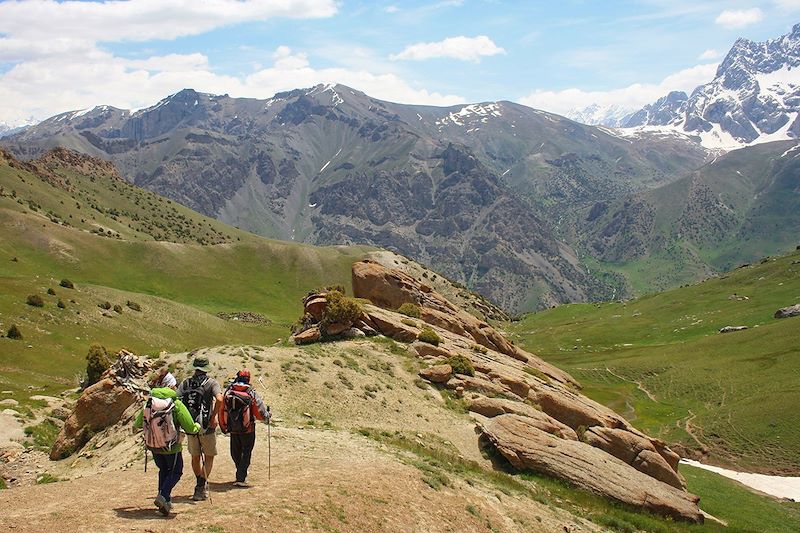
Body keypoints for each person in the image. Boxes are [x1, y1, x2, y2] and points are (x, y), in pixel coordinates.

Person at [135, 372, 200, 516]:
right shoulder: (175, 403)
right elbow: (189, 427)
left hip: (154, 445)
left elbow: (138, 423)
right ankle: (163, 496)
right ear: (170, 385)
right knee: (176, 471)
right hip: (171, 446)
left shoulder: (150, 402)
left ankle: (164, 503)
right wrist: (197, 427)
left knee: (163, 470)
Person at [177, 356, 223, 501]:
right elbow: (220, 399)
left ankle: (199, 482)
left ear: (194, 368)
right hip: (206, 426)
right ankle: (201, 485)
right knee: (209, 456)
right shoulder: (211, 383)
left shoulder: (186, 383)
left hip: (190, 426)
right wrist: (213, 416)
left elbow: (176, 400)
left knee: (195, 456)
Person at [220, 369, 270, 487]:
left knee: (235, 451)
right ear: (248, 379)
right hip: (248, 428)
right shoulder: (250, 391)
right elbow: (259, 410)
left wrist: (223, 425)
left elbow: (222, 408)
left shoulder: (229, 391)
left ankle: (240, 471)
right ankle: (241, 477)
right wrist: (267, 416)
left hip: (233, 427)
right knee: (246, 452)